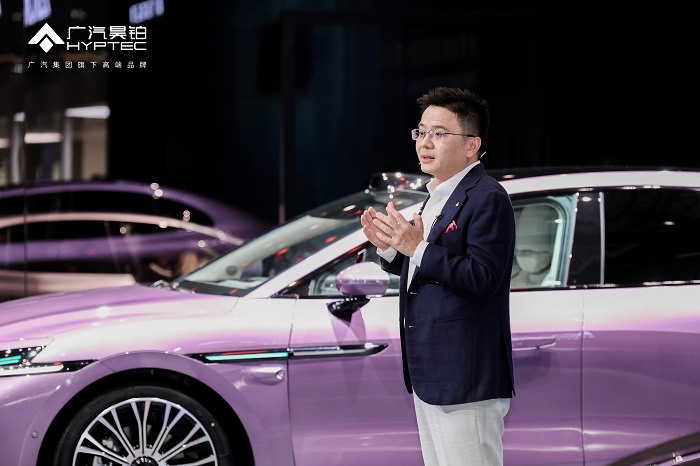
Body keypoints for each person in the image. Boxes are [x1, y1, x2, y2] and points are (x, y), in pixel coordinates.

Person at [360, 87, 516, 465]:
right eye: (421, 131)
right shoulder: (438, 195)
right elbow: (429, 270)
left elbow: (483, 277)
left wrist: (417, 247)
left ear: (472, 145)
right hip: (433, 371)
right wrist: (391, 249)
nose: (425, 142)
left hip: (465, 375)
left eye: (439, 133)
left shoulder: (487, 196)